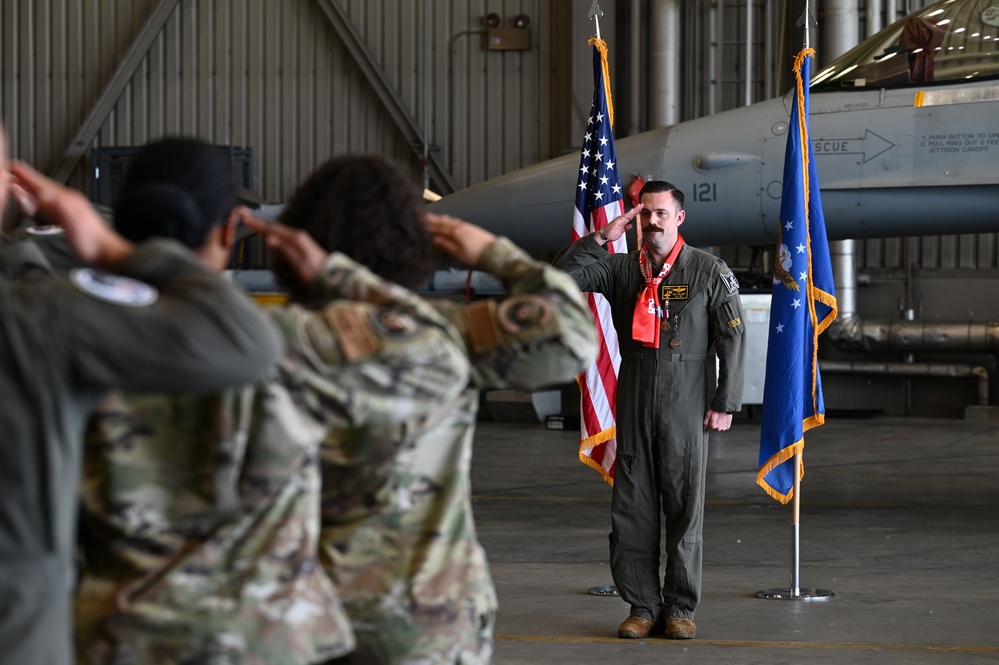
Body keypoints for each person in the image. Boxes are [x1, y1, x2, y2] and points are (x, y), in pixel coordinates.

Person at [74, 138, 472, 664]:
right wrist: (338, 273)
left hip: (112, 634)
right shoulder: (282, 343)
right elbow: (436, 358)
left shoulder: (64, 333)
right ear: (229, 230)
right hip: (264, 638)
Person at [269, 154, 597, 665]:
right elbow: (573, 336)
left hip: (293, 620)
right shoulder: (447, 334)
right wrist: (497, 254)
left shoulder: (267, 342)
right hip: (426, 621)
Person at [0, 125, 284, 665]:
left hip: (101, 618)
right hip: (229, 632)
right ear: (228, 228)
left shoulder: (54, 309)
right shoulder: (47, 322)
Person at [552, 180, 746, 641]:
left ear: (679, 218)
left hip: (686, 399)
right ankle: (642, 605)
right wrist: (600, 237)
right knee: (633, 507)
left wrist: (726, 401)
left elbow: (732, 336)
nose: (652, 222)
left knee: (683, 506)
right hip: (635, 394)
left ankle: (680, 607)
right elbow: (559, 279)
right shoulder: (621, 270)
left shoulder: (707, 270)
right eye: (645, 215)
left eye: (661, 213)